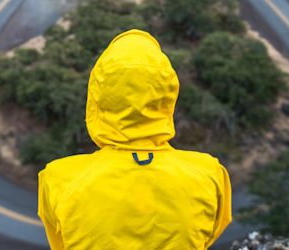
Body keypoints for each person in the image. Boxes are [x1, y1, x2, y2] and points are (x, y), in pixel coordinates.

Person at [37, 29, 232, 250]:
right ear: (168, 96)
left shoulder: (58, 179)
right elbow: (207, 237)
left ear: (96, 98)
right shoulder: (210, 175)